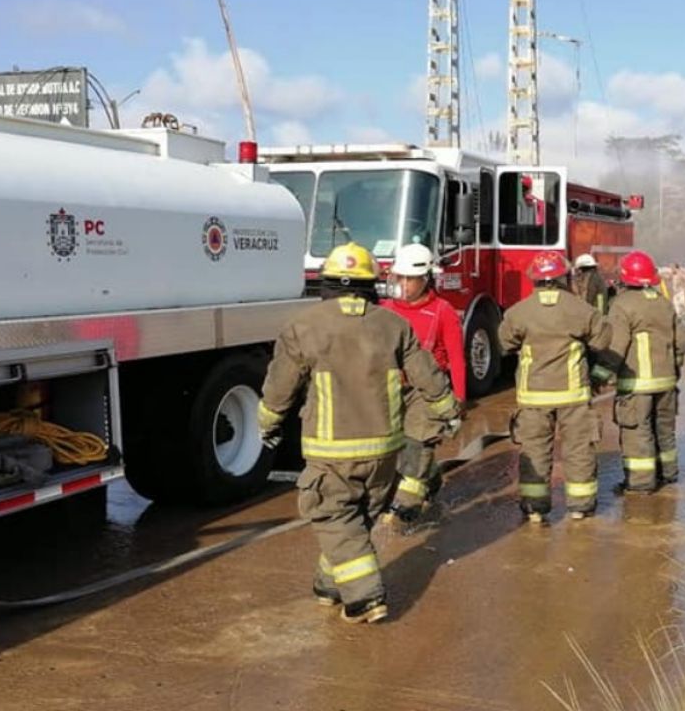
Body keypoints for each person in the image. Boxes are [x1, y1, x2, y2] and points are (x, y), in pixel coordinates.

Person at [258, 242, 461, 624]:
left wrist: (267, 423)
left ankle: (365, 597)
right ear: (372, 285)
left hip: (331, 451)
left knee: (334, 516)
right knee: (357, 518)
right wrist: (448, 412)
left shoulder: (302, 327)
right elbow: (428, 378)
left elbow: (279, 388)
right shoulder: (394, 325)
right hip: (384, 451)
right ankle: (329, 585)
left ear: (327, 283)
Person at [498, 251, 612, 524]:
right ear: (564, 277)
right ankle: (580, 507)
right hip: (573, 396)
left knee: (535, 452)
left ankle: (535, 509)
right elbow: (603, 339)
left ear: (535, 279)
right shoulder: (581, 309)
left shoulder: (518, 312)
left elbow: (504, 343)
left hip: (533, 398)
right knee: (578, 450)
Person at [379, 243, 467, 527]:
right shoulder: (384, 310)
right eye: (399, 277)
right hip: (392, 388)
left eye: (409, 278)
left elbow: (456, 357)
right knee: (393, 448)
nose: (403, 284)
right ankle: (431, 479)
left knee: (417, 442)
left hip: (426, 390)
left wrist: (459, 399)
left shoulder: (443, 311)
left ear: (426, 278)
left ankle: (407, 508)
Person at [602, 251, 685, 493]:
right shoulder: (663, 302)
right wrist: (675, 369)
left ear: (625, 277)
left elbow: (616, 346)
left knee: (637, 434)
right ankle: (668, 475)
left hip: (637, 385)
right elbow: (680, 342)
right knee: (664, 431)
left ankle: (640, 485)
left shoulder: (622, 304)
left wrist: (602, 374)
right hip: (667, 383)